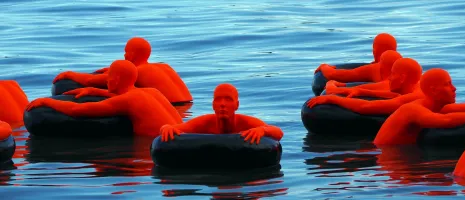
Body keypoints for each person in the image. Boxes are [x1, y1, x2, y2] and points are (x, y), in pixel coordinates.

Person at [26, 60, 183, 137]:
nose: (107, 80)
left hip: (157, 146)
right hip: (179, 133)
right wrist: (96, 91)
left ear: (115, 79)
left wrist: (46, 101)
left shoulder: (126, 100)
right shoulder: (152, 92)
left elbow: (77, 110)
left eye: (109, 77)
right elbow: (128, 98)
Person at [52, 37, 193, 103]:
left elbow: (91, 80)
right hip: (187, 106)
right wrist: (112, 69)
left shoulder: (139, 72)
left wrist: (68, 74)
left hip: (172, 108)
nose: (125, 55)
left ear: (131, 54)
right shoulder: (164, 66)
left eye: (126, 51)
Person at [373, 68, 465, 145]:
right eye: (448, 84)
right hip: (388, 162)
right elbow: (446, 120)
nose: (454, 88)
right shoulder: (412, 109)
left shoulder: (438, 107)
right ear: (433, 90)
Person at [159, 83, 284, 144]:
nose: (222, 104)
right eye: (218, 100)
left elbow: (278, 133)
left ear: (237, 105)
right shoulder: (204, 122)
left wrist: (263, 130)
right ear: (213, 105)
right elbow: (174, 128)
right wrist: (165, 127)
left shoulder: (246, 123)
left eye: (228, 100)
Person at [307, 58, 424, 114]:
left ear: (403, 78)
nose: (389, 78)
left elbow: (366, 106)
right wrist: (362, 92)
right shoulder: (414, 87)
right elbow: (394, 95)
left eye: (392, 74)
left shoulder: (413, 98)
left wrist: (332, 98)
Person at [314, 33, 397, 83]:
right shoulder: (402, 66)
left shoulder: (374, 69)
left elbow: (333, 75)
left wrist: (324, 67)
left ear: (375, 51)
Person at [324, 50, 403, 99]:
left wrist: (331, 83)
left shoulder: (385, 85)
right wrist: (343, 85)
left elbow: (331, 91)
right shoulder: (411, 90)